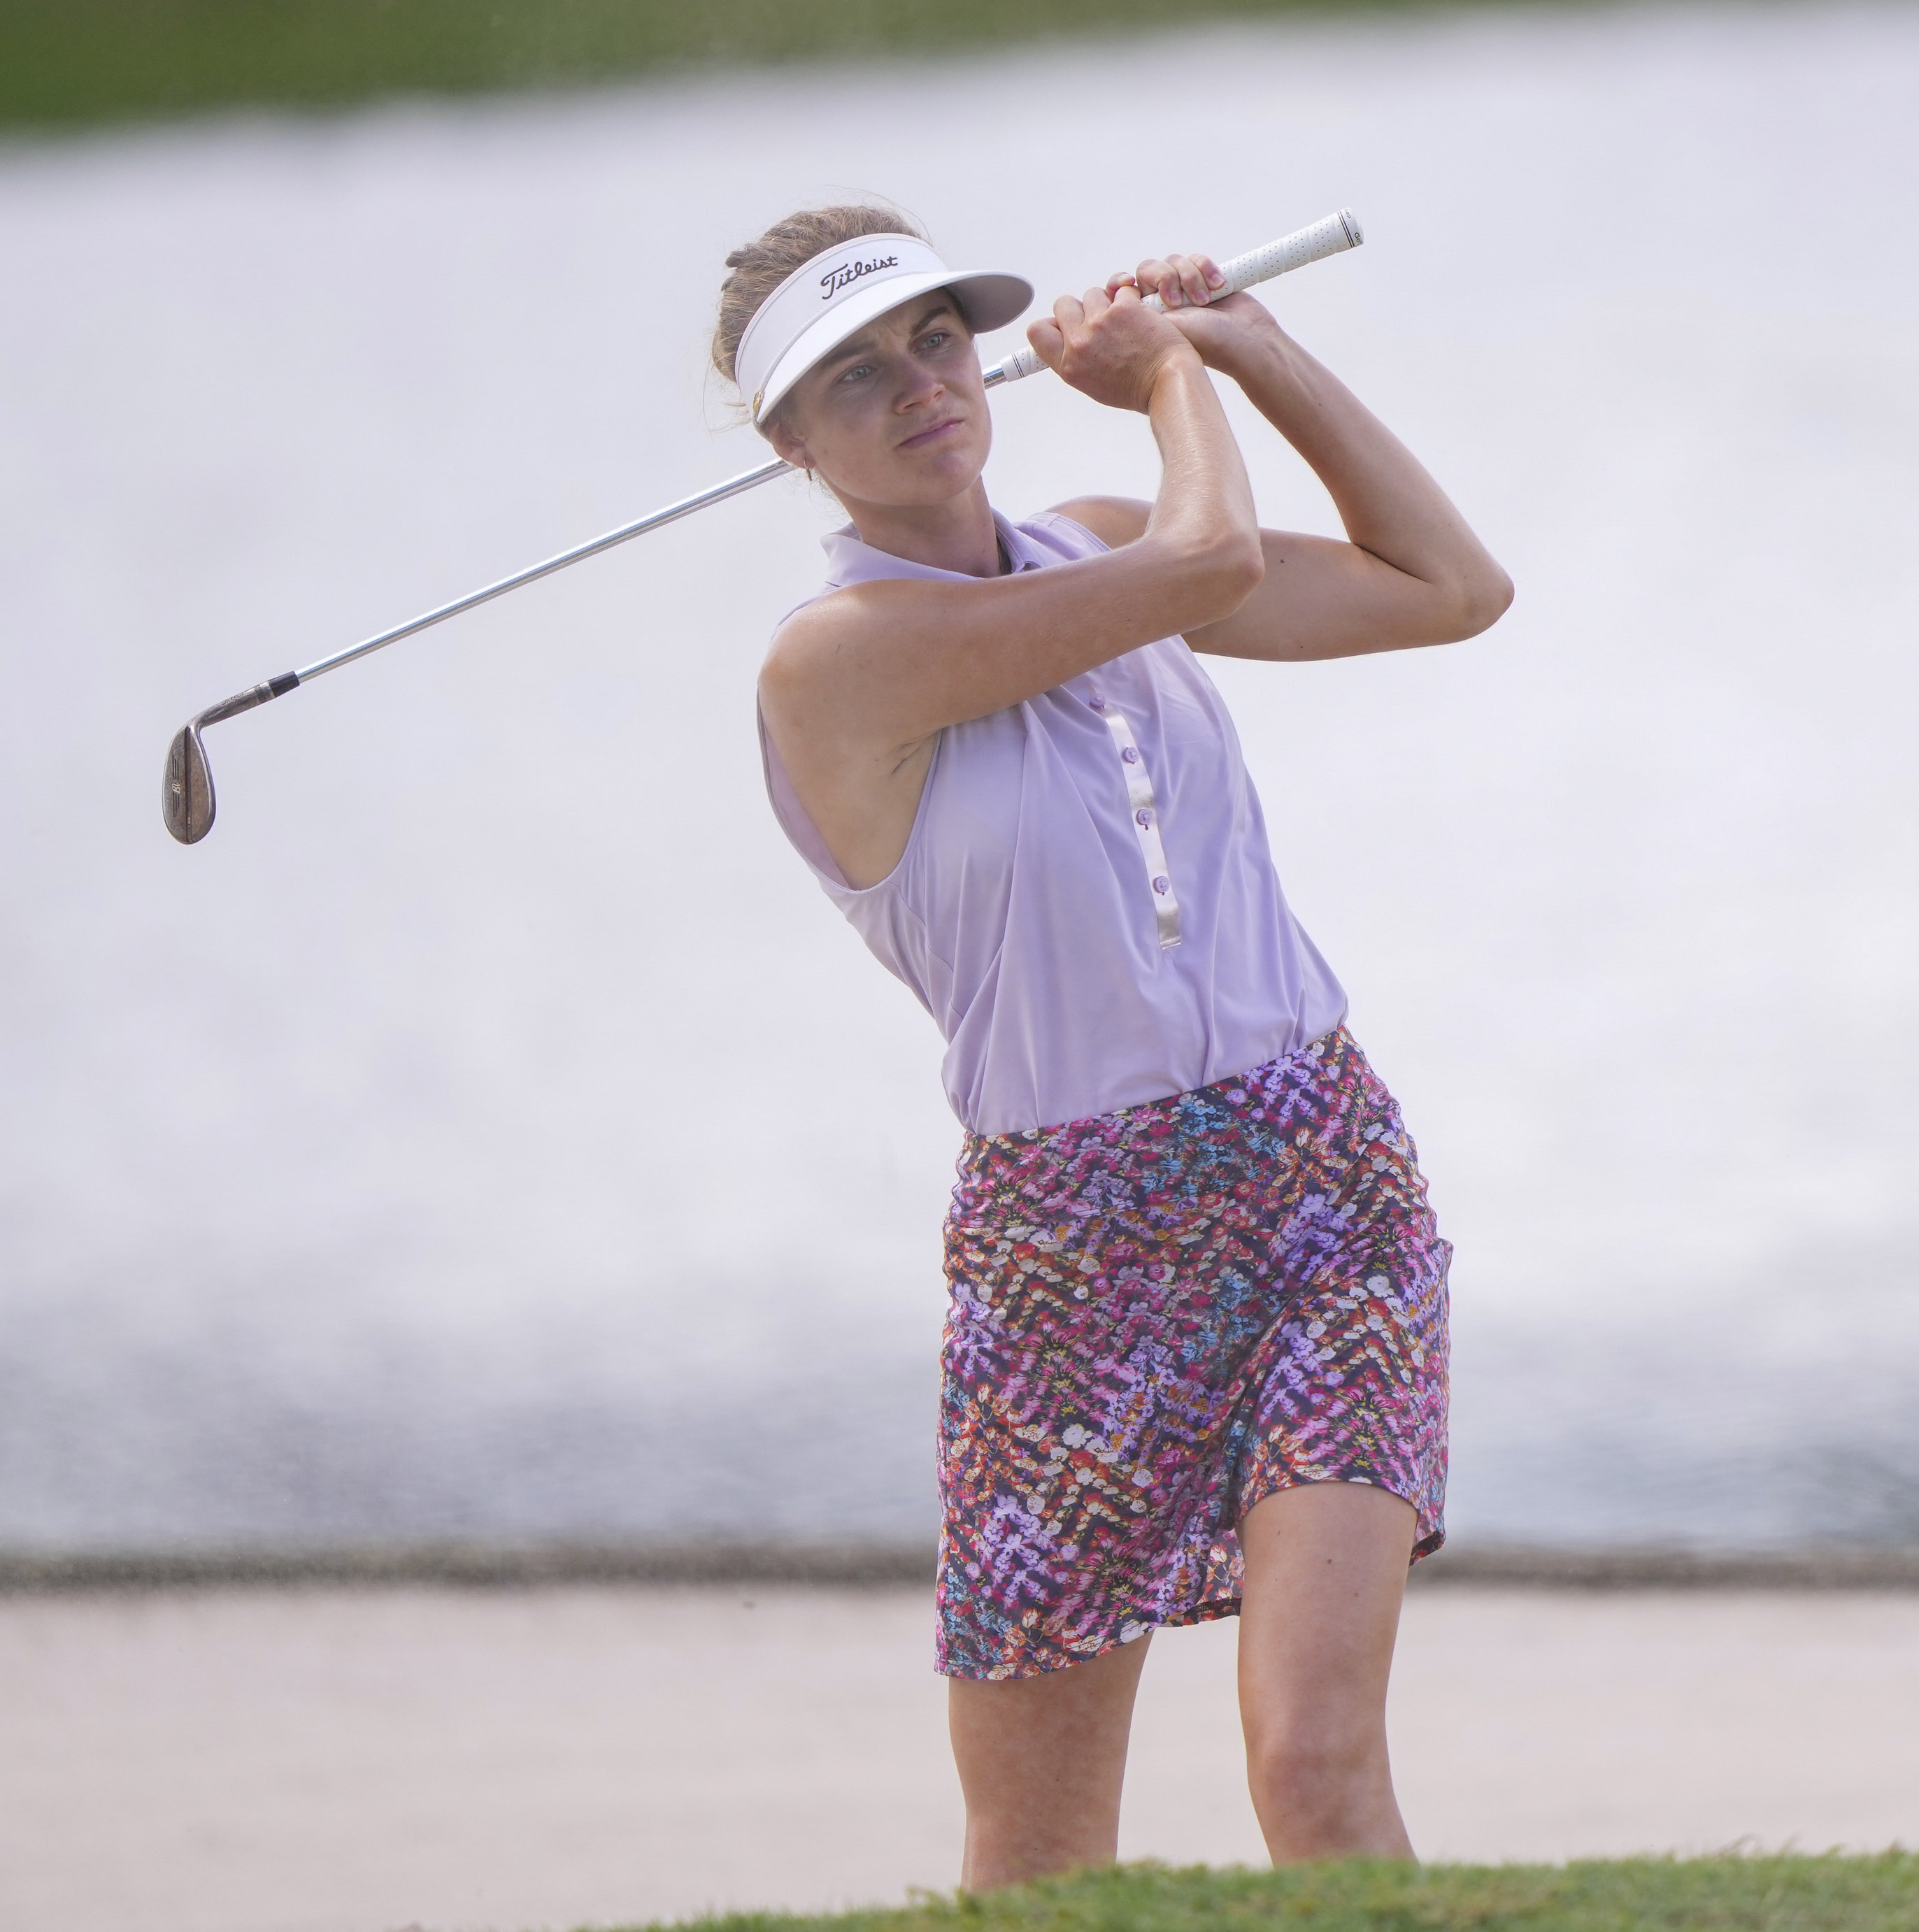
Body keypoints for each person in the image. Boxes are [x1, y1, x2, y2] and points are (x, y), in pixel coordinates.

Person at [713, 203, 1510, 1889]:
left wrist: (1252, 350)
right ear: (790, 444)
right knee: (1043, 1850)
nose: (918, 384)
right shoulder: (834, 665)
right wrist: (1161, 384)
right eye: (853, 377)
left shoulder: (1085, 544)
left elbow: (1450, 587)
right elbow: (1206, 563)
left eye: (935, 338)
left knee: (1312, 1756)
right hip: (1071, 1241)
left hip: (1321, 1184)